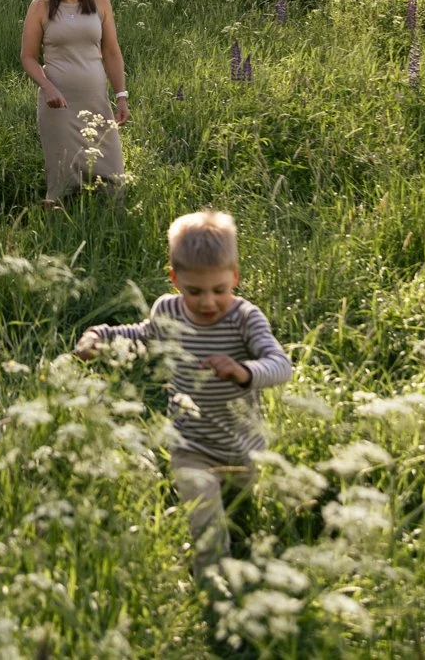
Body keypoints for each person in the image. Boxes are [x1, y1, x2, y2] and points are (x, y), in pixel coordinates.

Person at [73, 211, 293, 578]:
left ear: (235, 277)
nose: (208, 302)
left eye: (219, 290)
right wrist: (101, 336)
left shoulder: (244, 318)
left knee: (241, 514)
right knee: (205, 517)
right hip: (189, 443)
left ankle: (244, 548)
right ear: (175, 280)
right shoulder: (168, 310)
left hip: (242, 444)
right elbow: (143, 334)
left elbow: (280, 364)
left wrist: (243, 372)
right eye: (195, 291)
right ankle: (213, 581)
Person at [20, 0, 129, 206]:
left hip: (96, 101)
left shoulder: (100, 1)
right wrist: (48, 87)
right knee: (63, 177)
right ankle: (59, 226)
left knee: (114, 177)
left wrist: (121, 96)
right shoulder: (41, 6)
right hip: (59, 105)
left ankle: (110, 223)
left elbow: (112, 53)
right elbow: (28, 57)